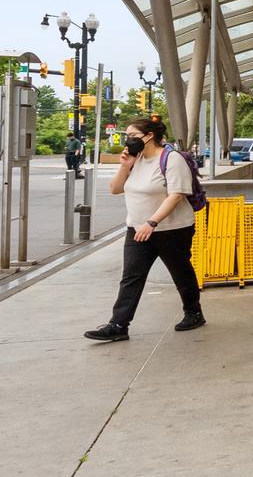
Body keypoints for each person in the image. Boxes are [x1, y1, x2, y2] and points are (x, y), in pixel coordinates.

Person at [85, 116, 203, 341]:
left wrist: (152, 222)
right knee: (131, 276)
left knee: (180, 272)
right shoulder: (135, 159)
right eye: (127, 135)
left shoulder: (172, 159)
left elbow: (176, 195)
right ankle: (118, 324)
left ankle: (193, 312)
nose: (128, 140)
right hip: (137, 228)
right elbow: (115, 189)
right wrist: (125, 166)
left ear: (149, 136)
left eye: (133, 136)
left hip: (171, 229)